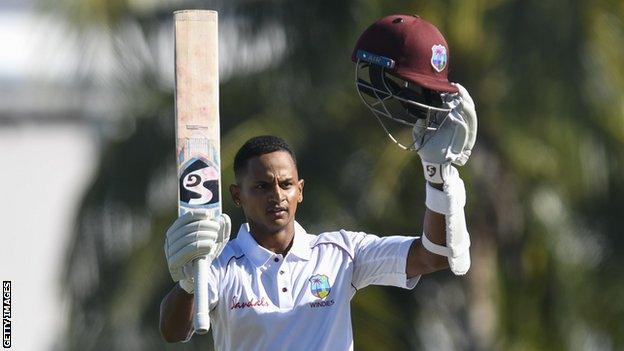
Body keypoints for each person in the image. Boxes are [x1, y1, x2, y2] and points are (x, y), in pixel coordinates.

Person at [159, 14, 477, 350]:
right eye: (262, 187)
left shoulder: (340, 254)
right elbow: (173, 331)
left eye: (285, 184)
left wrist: (438, 175)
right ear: (237, 196)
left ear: (301, 190)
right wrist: (189, 285)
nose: (276, 196)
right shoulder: (222, 264)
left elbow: (435, 256)